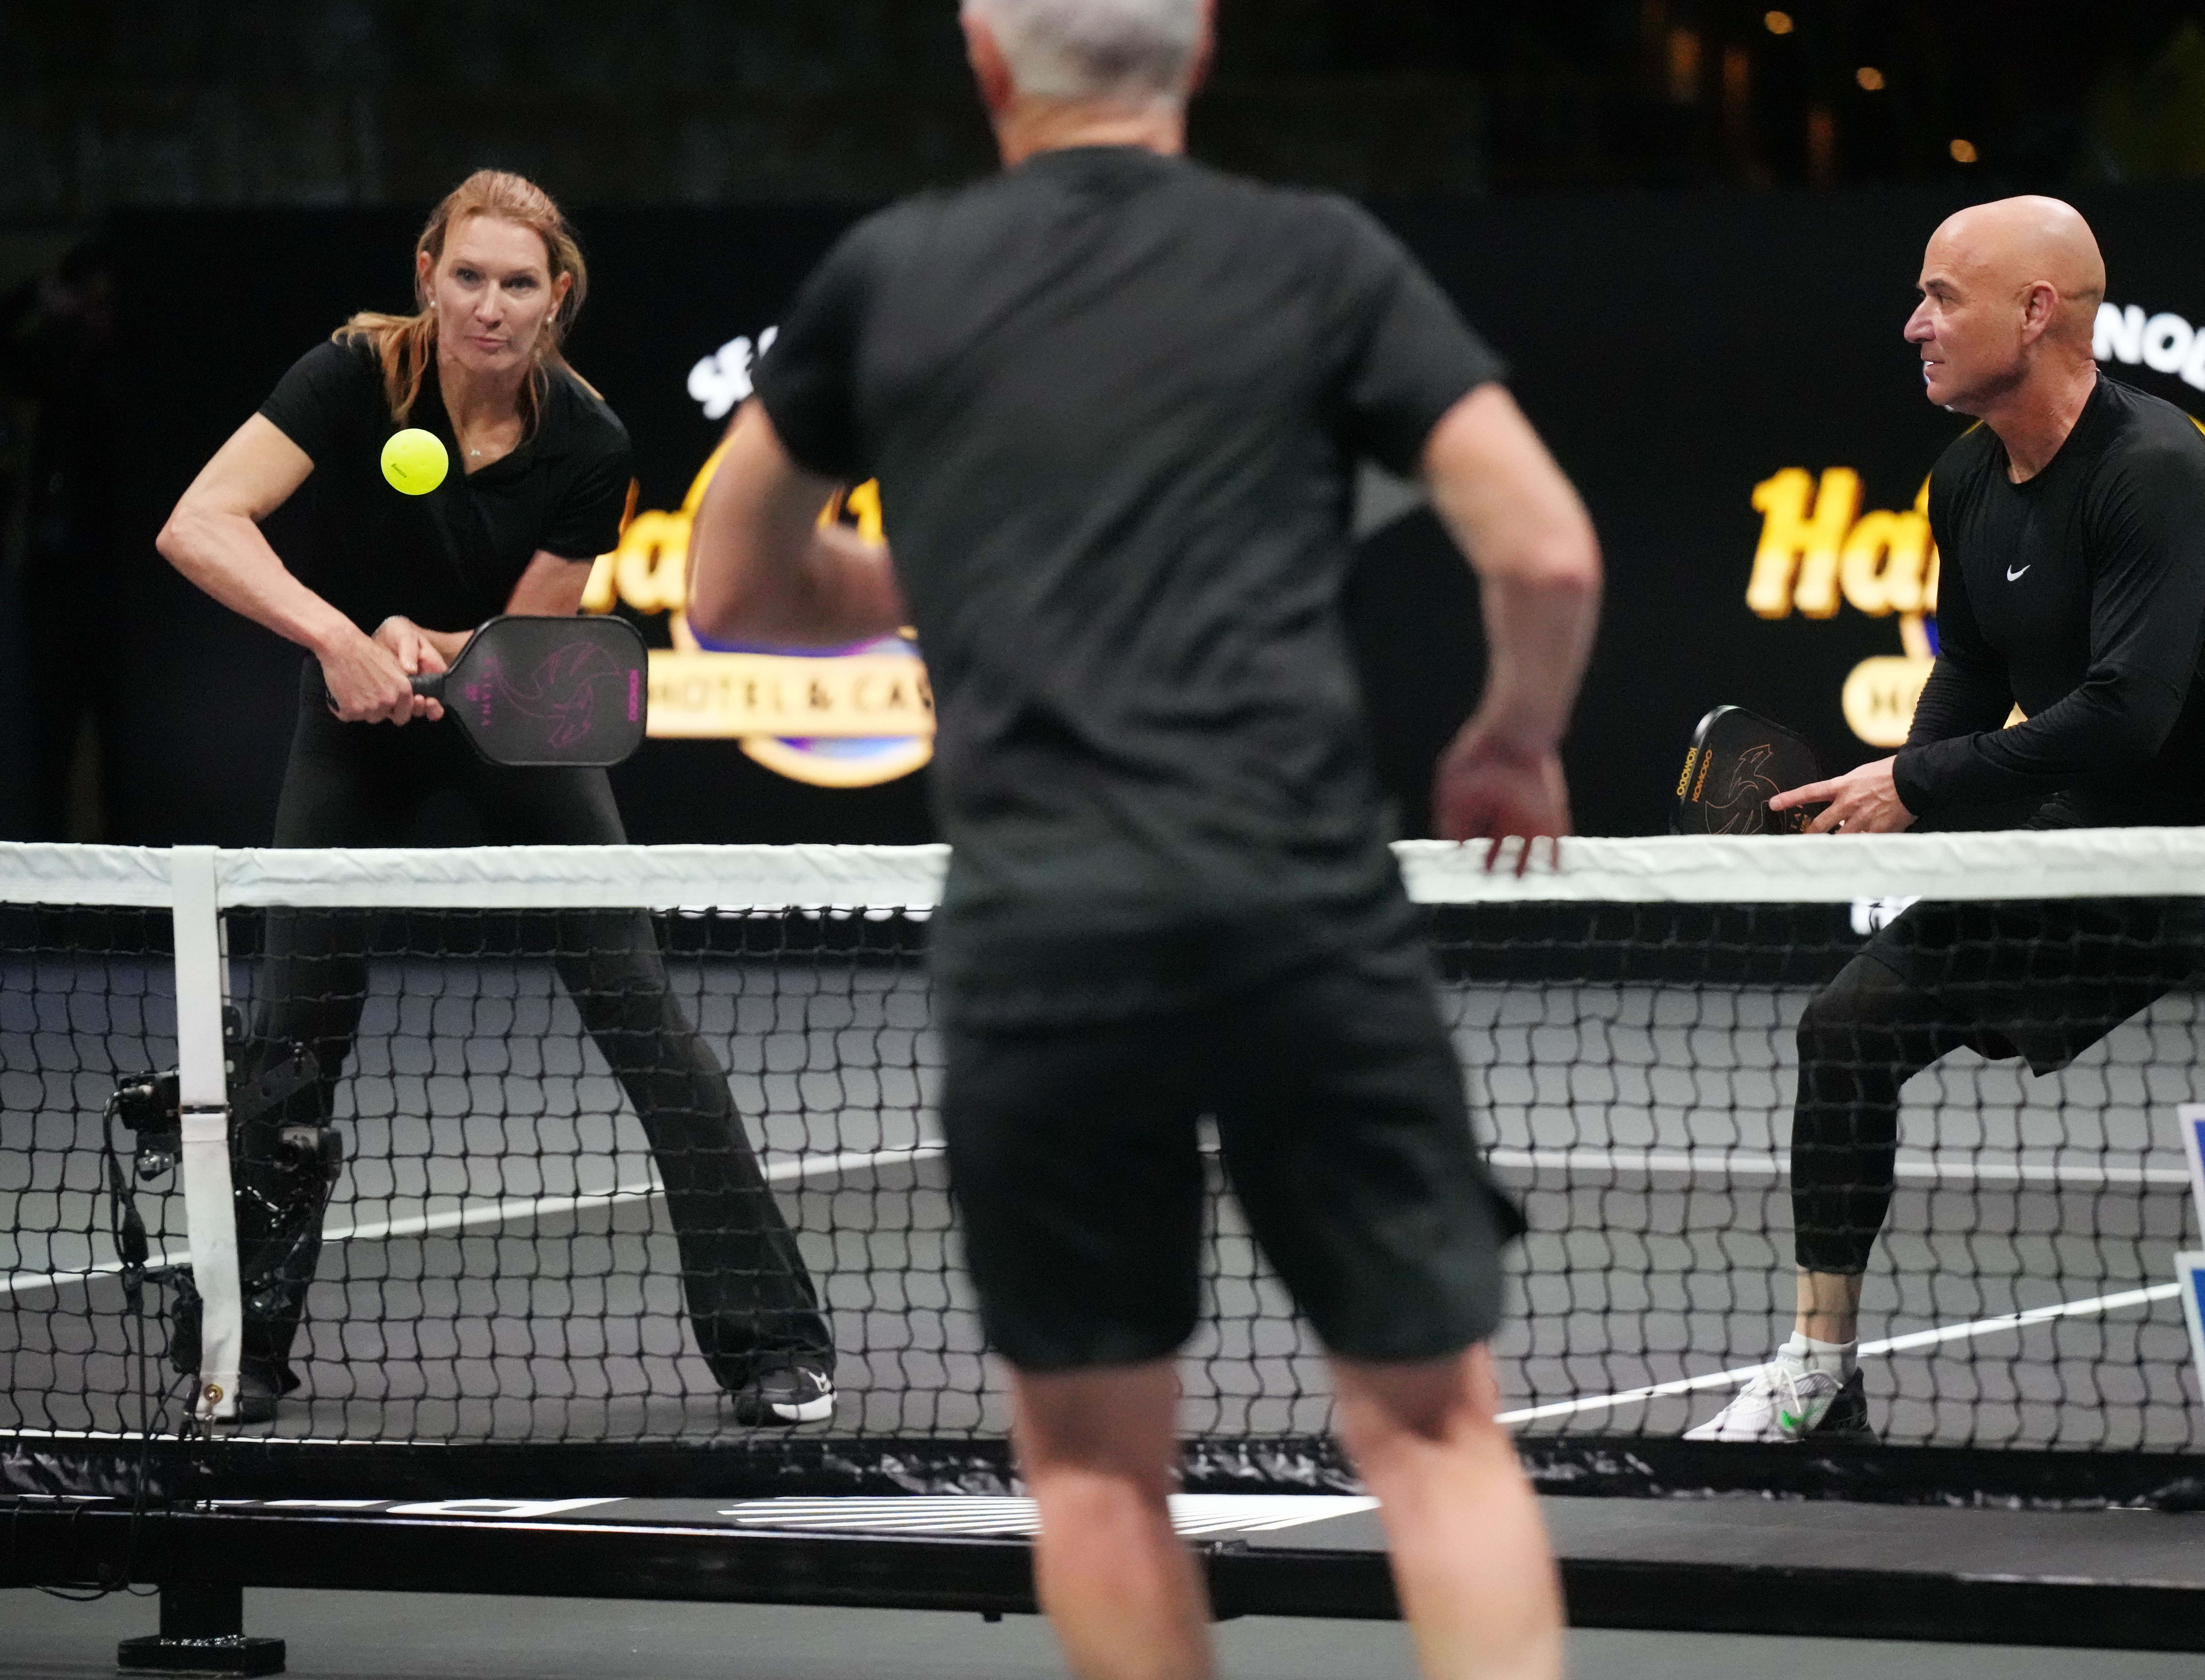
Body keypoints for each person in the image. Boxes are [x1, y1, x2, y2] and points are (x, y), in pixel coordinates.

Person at [689, 3, 1598, 1673]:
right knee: (1435, 1431)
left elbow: (731, 588)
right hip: (1303, 918)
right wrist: (1512, 736)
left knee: (1099, 1474)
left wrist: (967, 569)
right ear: (1198, 51)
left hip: (1046, 941)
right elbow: (1545, 555)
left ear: (983, 64)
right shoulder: (1318, 256)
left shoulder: (889, 272)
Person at [1688, 196, 2205, 1444]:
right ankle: (1818, 1368)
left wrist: (1916, 784)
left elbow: (2125, 710)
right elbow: (1967, 696)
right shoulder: (1964, 480)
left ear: (2035, 312)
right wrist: (1888, 802)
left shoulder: (2155, 472)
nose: (1913, 324)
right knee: (1847, 1024)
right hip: (2101, 841)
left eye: (1940, 298)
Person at [155, 169, 836, 1428]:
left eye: (517, 282)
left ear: (555, 298)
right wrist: (341, 639)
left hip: (507, 707)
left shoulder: (590, 441)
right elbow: (202, 523)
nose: (488, 303)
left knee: (645, 1016)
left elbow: (528, 639)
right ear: (428, 277)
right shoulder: (347, 380)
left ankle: (772, 1344)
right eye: (466, 276)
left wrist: (437, 651)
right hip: (349, 712)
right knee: (293, 1034)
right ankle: (237, 1349)